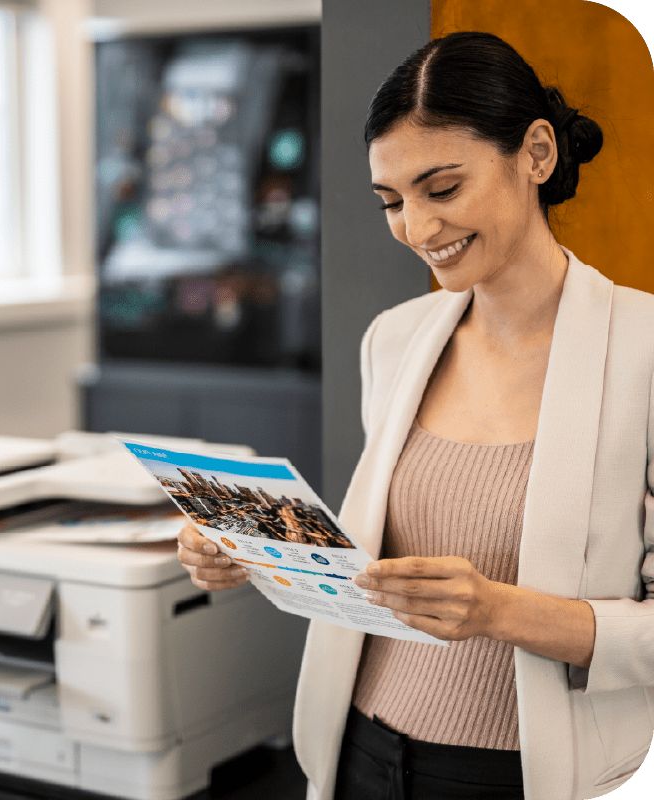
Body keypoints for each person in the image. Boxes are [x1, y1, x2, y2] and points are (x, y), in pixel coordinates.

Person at [177, 30, 654, 800]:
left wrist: (498, 611)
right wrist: (255, 549)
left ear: (536, 153)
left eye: (442, 189)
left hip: (519, 774)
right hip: (360, 747)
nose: (417, 230)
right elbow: (389, 554)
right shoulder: (395, 339)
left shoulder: (645, 352)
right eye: (391, 202)